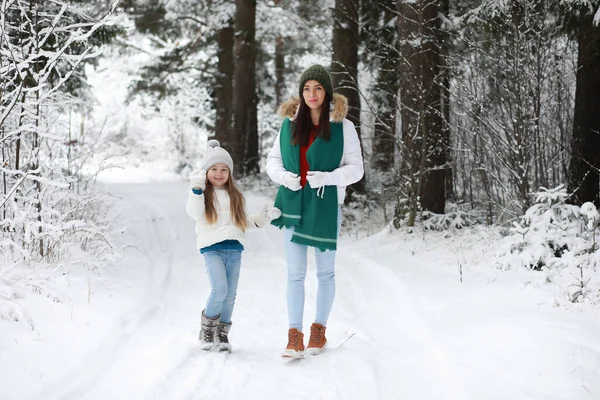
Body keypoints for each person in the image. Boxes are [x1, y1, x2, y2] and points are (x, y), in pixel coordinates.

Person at [266, 64, 364, 358]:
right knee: (295, 274)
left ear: (327, 92)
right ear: (301, 92)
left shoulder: (343, 126)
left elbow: (356, 169)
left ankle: (318, 332)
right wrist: (284, 178)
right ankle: (294, 335)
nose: (312, 94)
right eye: (307, 88)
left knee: (325, 273)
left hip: (325, 205)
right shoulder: (289, 124)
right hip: (293, 204)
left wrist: (330, 178)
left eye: (318, 88)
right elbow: (272, 161)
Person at [186, 139, 281, 352]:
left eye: (224, 170)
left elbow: (243, 221)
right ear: (205, 171)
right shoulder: (202, 194)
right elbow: (194, 213)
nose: (219, 174)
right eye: (214, 169)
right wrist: (196, 189)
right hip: (212, 248)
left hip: (234, 249)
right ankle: (208, 330)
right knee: (219, 289)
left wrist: (262, 217)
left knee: (230, 295)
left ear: (229, 173)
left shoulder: (235, 195)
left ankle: (222, 333)